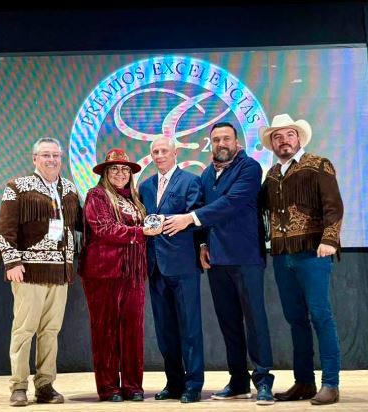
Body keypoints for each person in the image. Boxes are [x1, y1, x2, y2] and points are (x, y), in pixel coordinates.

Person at [164, 122, 275, 405]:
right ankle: (238, 381)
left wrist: (189, 219)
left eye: (226, 138)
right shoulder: (206, 174)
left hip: (246, 257)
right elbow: (204, 209)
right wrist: (202, 244)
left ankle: (263, 381)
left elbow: (231, 203)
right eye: (216, 139)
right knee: (229, 323)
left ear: (237, 142)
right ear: (210, 143)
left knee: (255, 320)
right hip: (217, 259)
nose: (221, 143)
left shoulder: (250, 168)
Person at [259, 113, 344, 405]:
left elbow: (333, 206)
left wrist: (330, 239)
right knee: (295, 318)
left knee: (320, 314)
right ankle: (304, 382)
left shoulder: (319, 165)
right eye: (278, 137)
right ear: (272, 143)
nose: (284, 141)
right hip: (282, 254)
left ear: (298, 138)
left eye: (289, 135)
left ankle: (331, 383)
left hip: (312, 251)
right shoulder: (271, 175)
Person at [0, 137, 81, 407]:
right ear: (35, 159)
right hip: (29, 272)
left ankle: (45, 385)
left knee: (50, 331)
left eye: (56, 155)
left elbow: (80, 224)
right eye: (46, 155)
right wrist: (12, 262)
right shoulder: (17, 187)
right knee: (24, 330)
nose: (51, 160)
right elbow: (5, 228)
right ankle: (19, 386)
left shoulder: (69, 189)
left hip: (60, 272)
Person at [78, 148, 162, 402]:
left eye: (125, 169)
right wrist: (140, 233)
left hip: (133, 273)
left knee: (133, 331)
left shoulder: (135, 199)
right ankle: (108, 387)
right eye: (114, 168)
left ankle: (133, 386)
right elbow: (104, 229)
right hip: (104, 272)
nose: (120, 173)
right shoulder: (97, 196)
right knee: (105, 330)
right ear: (105, 172)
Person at [139, 137, 204, 403]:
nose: (159, 155)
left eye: (164, 150)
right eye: (155, 151)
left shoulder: (191, 181)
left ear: (175, 153)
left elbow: (198, 219)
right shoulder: (145, 186)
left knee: (190, 328)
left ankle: (194, 384)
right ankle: (174, 382)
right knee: (165, 330)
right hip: (155, 266)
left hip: (183, 264)